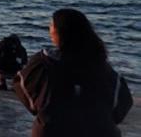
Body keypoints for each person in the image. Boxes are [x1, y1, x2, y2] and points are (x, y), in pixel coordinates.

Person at [14, 8, 133, 137]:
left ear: (60, 31)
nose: (49, 29)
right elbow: (121, 107)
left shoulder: (43, 64)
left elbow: (23, 88)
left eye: (51, 25)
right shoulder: (105, 71)